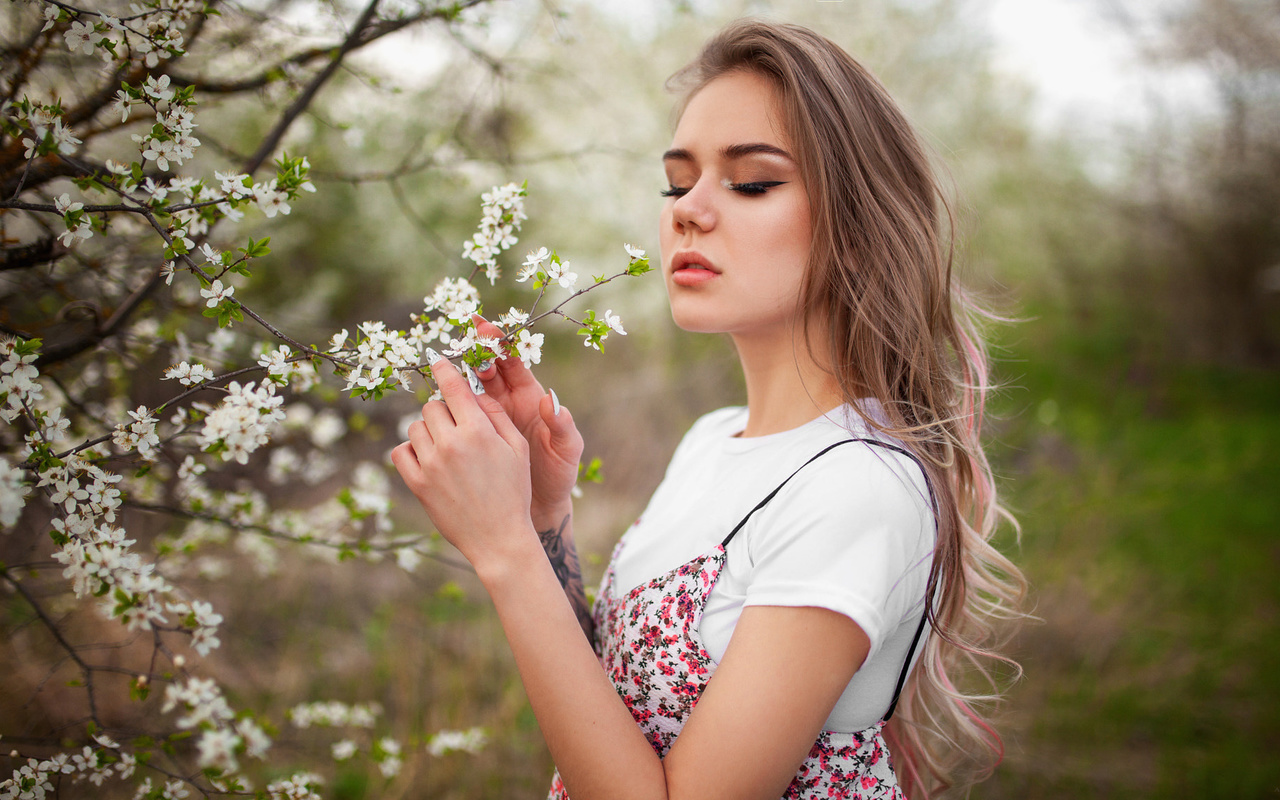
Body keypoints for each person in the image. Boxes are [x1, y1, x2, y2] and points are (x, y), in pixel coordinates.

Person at [391, 18, 1025, 800]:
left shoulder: (856, 487)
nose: (687, 210)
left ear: (856, 229)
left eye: (751, 182)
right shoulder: (712, 439)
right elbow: (617, 712)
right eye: (676, 181)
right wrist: (539, 517)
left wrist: (504, 555)